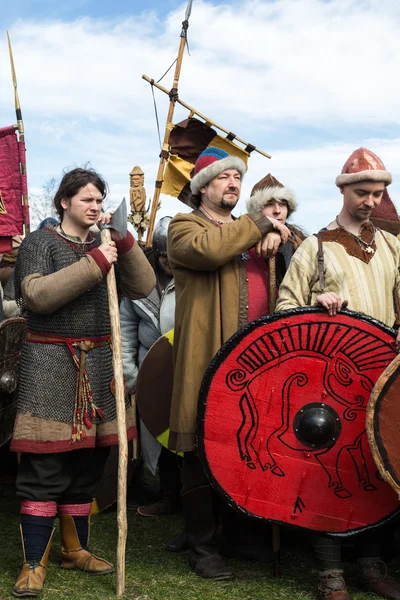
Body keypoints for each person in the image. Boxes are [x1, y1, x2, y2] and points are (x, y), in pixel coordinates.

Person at [10, 167, 155, 597]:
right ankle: (33, 562)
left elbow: (144, 285)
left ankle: (76, 549)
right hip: (51, 363)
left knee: (87, 464)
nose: (93, 207)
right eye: (85, 200)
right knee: (44, 467)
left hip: (98, 366)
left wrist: (123, 244)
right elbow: (35, 296)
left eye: (98, 200)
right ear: (64, 202)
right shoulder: (41, 243)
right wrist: (95, 264)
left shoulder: (104, 243)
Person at [276, 148, 400, 600]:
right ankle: (331, 576)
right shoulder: (316, 246)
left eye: (378, 193)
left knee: (377, 471)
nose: (370, 201)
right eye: (362, 192)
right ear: (343, 190)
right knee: (329, 475)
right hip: (328, 385)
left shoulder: (391, 245)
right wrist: (317, 307)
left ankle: (372, 565)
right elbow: (284, 311)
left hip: (383, 381)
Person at [167, 147, 290, 580]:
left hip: (257, 362)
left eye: (238, 178)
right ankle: (202, 546)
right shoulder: (184, 226)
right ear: (203, 186)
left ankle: (239, 535)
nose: (234, 184)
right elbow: (208, 251)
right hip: (207, 356)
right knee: (202, 448)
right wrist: (259, 225)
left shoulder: (252, 232)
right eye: (224, 178)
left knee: (248, 445)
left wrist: (279, 238)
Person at [121, 216, 181, 517]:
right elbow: (127, 327)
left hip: (186, 366)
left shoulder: (193, 279)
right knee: (159, 431)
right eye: (163, 256)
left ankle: (189, 497)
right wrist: (130, 374)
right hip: (150, 369)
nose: (169, 262)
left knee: (185, 432)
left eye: (174, 256)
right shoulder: (139, 284)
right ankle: (166, 494)